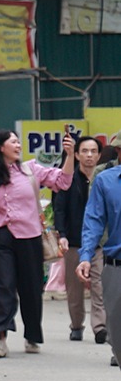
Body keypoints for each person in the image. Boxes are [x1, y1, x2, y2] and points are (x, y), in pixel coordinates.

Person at [0, 128, 71, 356]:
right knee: (4, 286)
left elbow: (62, 181)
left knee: (31, 289)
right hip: (1, 237)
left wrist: (70, 156)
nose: (18, 145)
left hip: (30, 236)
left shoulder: (30, 169)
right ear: (1, 147)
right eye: (13, 141)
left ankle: (32, 336)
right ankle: (0, 337)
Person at [54, 134, 106, 345]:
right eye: (84, 151)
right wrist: (62, 234)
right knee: (74, 289)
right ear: (76, 154)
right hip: (75, 241)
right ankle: (76, 325)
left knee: (99, 286)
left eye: (93, 151)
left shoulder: (104, 179)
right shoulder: (69, 178)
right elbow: (59, 209)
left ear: (99, 155)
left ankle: (100, 327)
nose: (89, 156)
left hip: (99, 244)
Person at [78, 158, 121, 369]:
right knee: (118, 335)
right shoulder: (105, 181)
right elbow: (93, 220)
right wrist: (85, 256)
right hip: (116, 266)